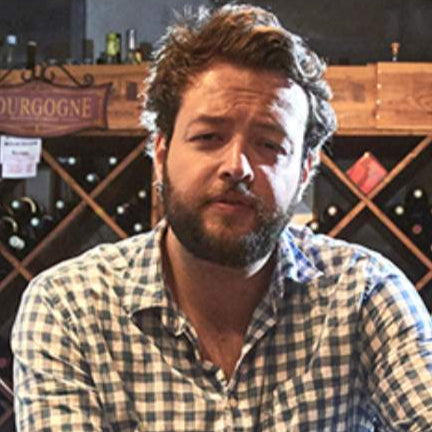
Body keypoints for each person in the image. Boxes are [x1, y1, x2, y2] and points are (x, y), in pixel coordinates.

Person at [11, 3, 432, 431]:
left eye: (269, 145)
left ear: (305, 171)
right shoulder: (70, 308)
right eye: (209, 136)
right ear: (161, 153)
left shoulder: (365, 295)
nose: (237, 167)